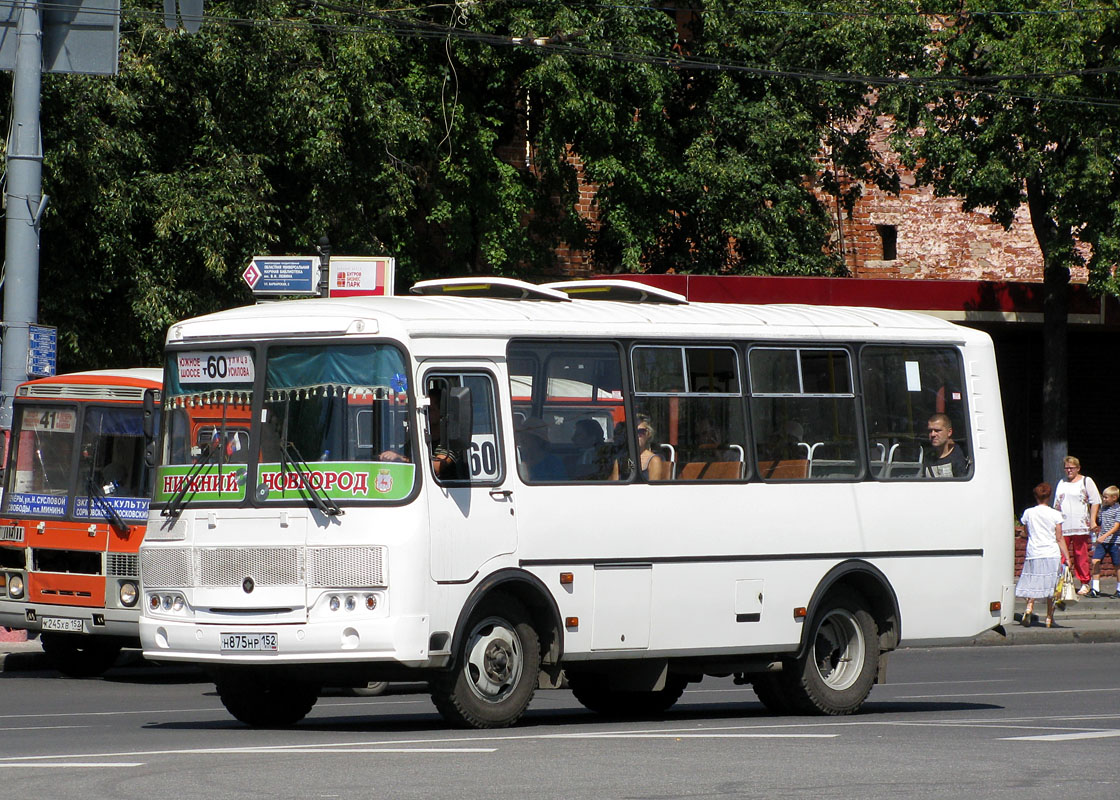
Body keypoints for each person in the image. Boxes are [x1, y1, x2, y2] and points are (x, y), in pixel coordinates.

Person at [1016, 482, 1071, 628]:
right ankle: (1049, 618)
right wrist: (1068, 557)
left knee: (1033, 582)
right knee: (1051, 586)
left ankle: (1029, 608)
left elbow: (1026, 532)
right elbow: (1059, 538)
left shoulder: (1029, 513)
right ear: (1049, 496)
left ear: (1036, 496)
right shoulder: (1055, 514)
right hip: (1051, 553)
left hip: (1034, 553)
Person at [1053, 456, 1101, 595]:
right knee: (1062, 555)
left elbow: (1095, 501)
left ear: (1078, 468)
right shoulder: (1061, 483)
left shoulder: (1086, 481)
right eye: (1066, 468)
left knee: (1081, 555)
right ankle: (1062, 583)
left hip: (1080, 524)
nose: (1069, 470)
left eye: (1071, 468)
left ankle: (1085, 582)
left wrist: (1092, 520)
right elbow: (1057, 505)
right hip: (1064, 525)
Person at [1090, 485, 1120, 598]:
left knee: (1117, 565)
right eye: (1103, 497)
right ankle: (1095, 588)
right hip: (1102, 541)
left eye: (1106, 497)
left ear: (1114, 497)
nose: (1104, 499)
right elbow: (1102, 523)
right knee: (1095, 561)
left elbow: (1116, 527)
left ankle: (1119, 589)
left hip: (1114, 541)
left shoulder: (1118, 509)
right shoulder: (1103, 509)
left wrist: (1105, 536)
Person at [516, 417, 566, 481]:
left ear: (538, 440)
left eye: (527, 436)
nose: (522, 439)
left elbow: (560, 485)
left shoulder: (553, 463)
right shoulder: (518, 457)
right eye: (521, 435)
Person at [924, 413, 968, 477]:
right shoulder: (927, 457)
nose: (933, 434)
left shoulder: (959, 456)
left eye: (937, 430)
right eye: (930, 431)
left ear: (949, 432)